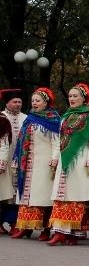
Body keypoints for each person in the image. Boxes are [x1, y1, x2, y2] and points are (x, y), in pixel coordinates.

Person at [47, 83, 89, 246]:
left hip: (81, 161)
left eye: (75, 96)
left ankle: (73, 232)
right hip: (64, 161)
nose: (71, 99)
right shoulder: (65, 116)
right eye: (70, 96)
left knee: (77, 197)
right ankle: (59, 231)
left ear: (84, 98)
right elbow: (58, 140)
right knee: (61, 196)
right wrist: (55, 159)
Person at [10, 87, 60, 241]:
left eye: (38, 100)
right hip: (28, 164)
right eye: (33, 100)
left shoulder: (53, 120)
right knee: (27, 197)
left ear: (46, 102)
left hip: (44, 165)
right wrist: (17, 159)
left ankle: (45, 229)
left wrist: (54, 159)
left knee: (43, 197)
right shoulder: (29, 119)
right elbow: (21, 142)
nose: (34, 103)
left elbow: (57, 142)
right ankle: (25, 227)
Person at [0, 88, 27, 234]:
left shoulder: (26, 118)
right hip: (4, 160)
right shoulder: (2, 117)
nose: (17, 104)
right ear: (7, 103)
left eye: (19, 102)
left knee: (17, 193)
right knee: (4, 192)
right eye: (14, 102)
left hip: (21, 161)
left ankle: (15, 223)